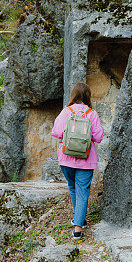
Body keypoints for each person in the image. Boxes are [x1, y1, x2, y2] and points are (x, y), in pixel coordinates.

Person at [51, 82, 104, 240]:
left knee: (73, 187)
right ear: (87, 96)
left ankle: (79, 221)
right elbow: (99, 137)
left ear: (73, 95)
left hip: (66, 158)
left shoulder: (66, 111)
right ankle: (78, 228)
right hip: (85, 159)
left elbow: (56, 132)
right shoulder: (91, 113)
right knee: (82, 191)